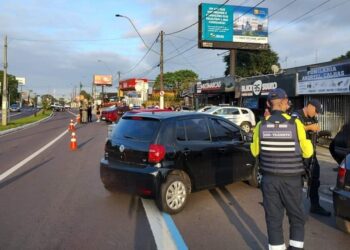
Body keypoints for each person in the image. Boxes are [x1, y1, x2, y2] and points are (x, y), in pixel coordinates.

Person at [251, 88, 313, 250]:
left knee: (273, 220)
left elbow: (255, 151)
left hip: (269, 180)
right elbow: (308, 151)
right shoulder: (295, 124)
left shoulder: (260, 125)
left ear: (268, 104)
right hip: (292, 180)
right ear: (285, 103)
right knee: (297, 218)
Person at [292, 99, 331, 216]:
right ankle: (293, 206)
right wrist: (308, 128)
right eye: (316, 110)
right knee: (296, 181)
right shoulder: (296, 115)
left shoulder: (313, 118)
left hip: (311, 154)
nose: (317, 113)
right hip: (299, 155)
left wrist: (320, 132)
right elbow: (292, 130)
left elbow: (313, 133)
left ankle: (315, 205)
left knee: (315, 179)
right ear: (309, 106)